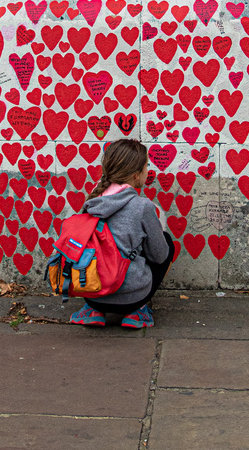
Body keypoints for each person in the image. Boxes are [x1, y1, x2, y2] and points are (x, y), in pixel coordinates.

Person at [69, 138, 174, 329]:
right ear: (136, 175)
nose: (148, 171)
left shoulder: (92, 201)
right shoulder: (143, 207)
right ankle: (137, 313)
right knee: (166, 243)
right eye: (146, 166)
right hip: (131, 298)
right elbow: (159, 256)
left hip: (91, 292)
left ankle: (92, 311)